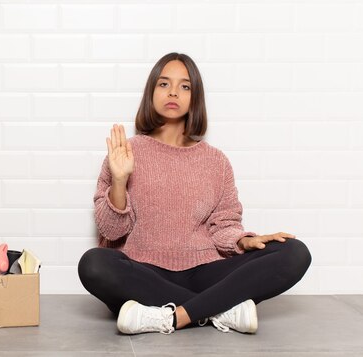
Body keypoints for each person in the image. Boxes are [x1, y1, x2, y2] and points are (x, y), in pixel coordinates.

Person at [78, 52, 312, 335]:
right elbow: (111, 231)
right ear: (151, 92)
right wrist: (119, 180)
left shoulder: (216, 161)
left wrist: (246, 241)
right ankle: (219, 310)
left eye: (184, 86)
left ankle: (171, 316)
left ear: (195, 97)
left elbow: (224, 227)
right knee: (93, 264)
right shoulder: (125, 153)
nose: (173, 92)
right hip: (145, 271)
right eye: (164, 84)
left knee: (294, 252)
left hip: (206, 272)